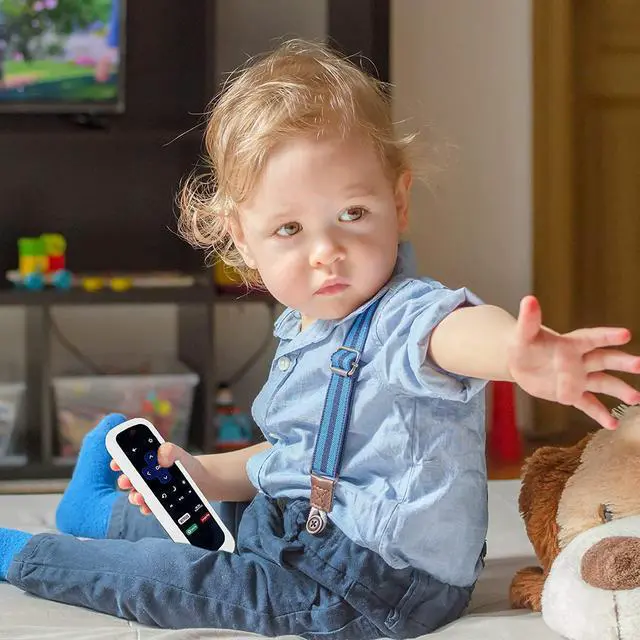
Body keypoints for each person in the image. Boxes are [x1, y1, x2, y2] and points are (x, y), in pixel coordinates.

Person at [0, 39, 639, 639]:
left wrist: (518, 354)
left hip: (379, 587)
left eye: (352, 214)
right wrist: (205, 471)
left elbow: (452, 332)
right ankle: (98, 514)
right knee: (216, 520)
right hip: (306, 528)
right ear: (241, 239)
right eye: (289, 229)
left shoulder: (403, 314)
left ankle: (27, 556)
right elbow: (298, 456)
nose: (326, 251)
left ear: (399, 202)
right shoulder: (304, 326)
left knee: (184, 581)